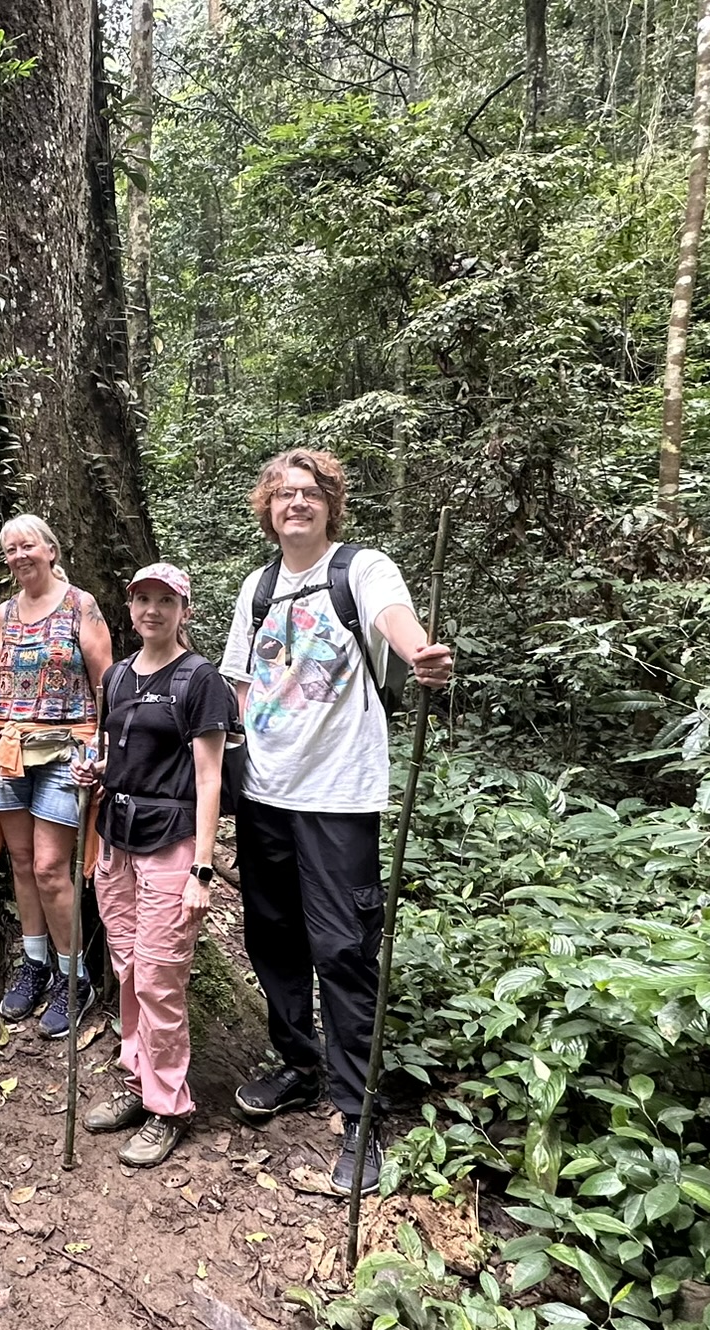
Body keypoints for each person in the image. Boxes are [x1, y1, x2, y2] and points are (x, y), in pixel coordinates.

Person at [219, 449, 452, 1194]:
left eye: (310, 492)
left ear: (330, 505)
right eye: (284, 493)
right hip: (264, 792)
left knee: (344, 949)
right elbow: (237, 684)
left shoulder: (362, 569)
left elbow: (396, 619)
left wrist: (420, 653)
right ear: (267, 507)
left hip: (338, 797)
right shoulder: (256, 587)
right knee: (272, 936)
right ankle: (296, 1060)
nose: (297, 503)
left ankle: (358, 1110)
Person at [72, 562, 233, 1167]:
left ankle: (169, 1106)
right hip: (116, 841)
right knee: (130, 969)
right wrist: (96, 771)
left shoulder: (199, 681)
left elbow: (210, 777)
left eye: (165, 601)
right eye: (142, 599)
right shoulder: (114, 678)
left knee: (162, 977)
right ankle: (138, 1081)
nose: (152, 611)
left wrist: (203, 869)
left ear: (182, 610)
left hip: (172, 842)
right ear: (130, 607)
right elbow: (115, 752)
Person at [0, 513, 113, 1038]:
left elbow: (106, 684)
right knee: (24, 862)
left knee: (55, 868)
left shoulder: (82, 605)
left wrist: (100, 752)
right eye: (9, 549)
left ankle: (73, 976)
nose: (18, 556)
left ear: (50, 551)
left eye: (27, 546)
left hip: (66, 751)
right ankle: (34, 964)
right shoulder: (4, 612)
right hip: (7, 748)